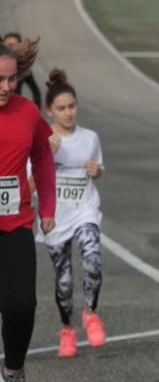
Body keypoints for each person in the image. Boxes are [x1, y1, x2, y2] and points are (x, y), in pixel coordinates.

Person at [0, 38, 55, 382]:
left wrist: (48, 206)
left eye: (12, 79)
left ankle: (14, 370)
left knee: (22, 303)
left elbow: (43, 159)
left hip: (16, 221)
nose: (6, 87)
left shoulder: (28, 112)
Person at [38, 69, 106, 358]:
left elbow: (98, 168)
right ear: (49, 111)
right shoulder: (43, 140)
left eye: (72, 106)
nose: (68, 113)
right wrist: (46, 155)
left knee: (92, 257)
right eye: (61, 108)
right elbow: (31, 181)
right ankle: (67, 328)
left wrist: (97, 171)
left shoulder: (90, 137)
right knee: (63, 280)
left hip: (84, 209)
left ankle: (91, 313)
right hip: (55, 216)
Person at [3, 33, 41, 107]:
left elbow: (35, 91)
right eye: (7, 45)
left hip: (14, 107)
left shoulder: (23, 71)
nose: (6, 88)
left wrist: (36, 109)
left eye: (12, 78)